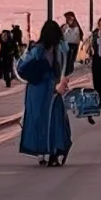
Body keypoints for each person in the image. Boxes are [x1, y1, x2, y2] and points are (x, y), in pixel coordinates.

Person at [18, 19, 72, 166]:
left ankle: (47, 151)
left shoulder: (41, 49)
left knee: (44, 119)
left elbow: (22, 66)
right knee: (50, 119)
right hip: (46, 88)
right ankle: (51, 151)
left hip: (41, 89)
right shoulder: (50, 50)